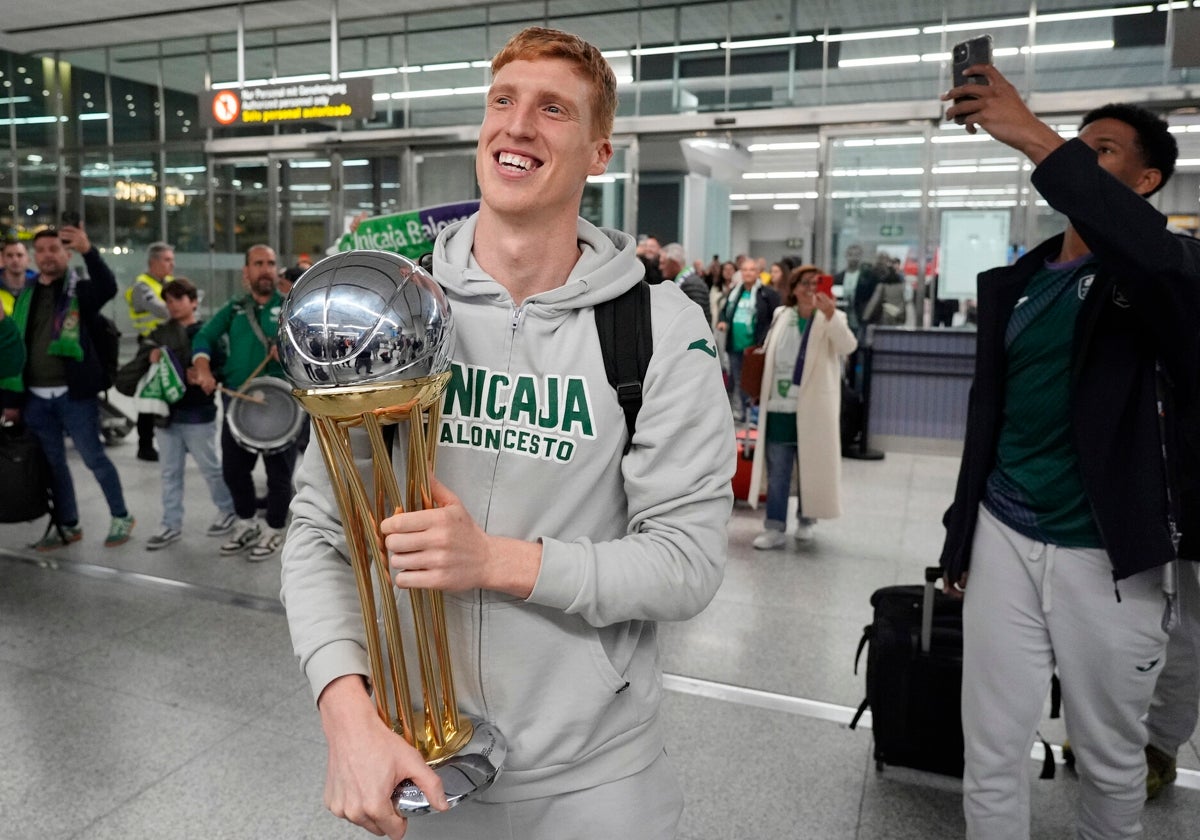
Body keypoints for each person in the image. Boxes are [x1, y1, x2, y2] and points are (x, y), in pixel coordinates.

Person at [280, 26, 733, 840]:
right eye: (503, 101)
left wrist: (495, 562)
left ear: (599, 152)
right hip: (418, 762)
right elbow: (319, 533)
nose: (517, 125)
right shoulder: (390, 311)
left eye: (552, 109)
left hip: (597, 779)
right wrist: (344, 710)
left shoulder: (659, 329)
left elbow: (687, 564)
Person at [939, 64, 1200, 839]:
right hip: (1005, 532)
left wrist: (1034, 134)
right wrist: (962, 534)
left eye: (1104, 151)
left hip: (1109, 554)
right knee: (989, 749)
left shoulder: (1169, 279)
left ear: (1147, 180)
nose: (1083, 159)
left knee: (1109, 758)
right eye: (1078, 147)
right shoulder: (1020, 283)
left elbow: (1150, 257)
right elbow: (992, 421)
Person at [0, 226, 135, 550]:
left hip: (74, 396)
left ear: (66, 254)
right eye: (41, 250)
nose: (47, 255)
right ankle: (68, 523)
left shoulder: (80, 291)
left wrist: (90, 251)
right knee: (54, 464)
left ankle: (121, 516)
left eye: (54, 249)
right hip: (35, 397)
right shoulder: (26, 295)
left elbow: (107, 286)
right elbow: (16, 347)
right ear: (35, 256)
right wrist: (12, 400)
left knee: (94, 458)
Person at [191, 244, 295, 561]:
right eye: (258, 263)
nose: (266, 269)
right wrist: (204, 369)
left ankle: (274, 528)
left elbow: (314, 343)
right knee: (234, 470)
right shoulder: (235, 308)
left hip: (280, 403)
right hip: (238, 402)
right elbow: (203, 338)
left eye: (271, 263)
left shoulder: (291, 305)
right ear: (246, 271)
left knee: (279, 474)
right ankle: (247, 522)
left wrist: (288, 347)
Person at [746, 265, 857, 549]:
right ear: (793, 288)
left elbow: (848, 346)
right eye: (804, 283)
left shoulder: (833, 318)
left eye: (816, 283)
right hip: (779, 406)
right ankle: (775, 526)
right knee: (779, 471)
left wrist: (831, 314)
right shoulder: (782, 316)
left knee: (811, 466)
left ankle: (807, 520)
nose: (810, 289)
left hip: (813, 408)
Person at [135, 278, 237, 550]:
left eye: (179, 299)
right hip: (166, 414)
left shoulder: (208, 334)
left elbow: (223, 369)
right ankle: (171, 524)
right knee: (169, 472)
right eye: (168, 300)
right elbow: (143, 362)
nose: (173, 305)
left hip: (198, 413)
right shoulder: (159, 333)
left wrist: (206, 376)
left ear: (193, 301)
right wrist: (150, 356)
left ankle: (227, 509)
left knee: (210, 468)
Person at [126, 241, 175, 462]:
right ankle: (144, 444)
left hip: (171, 345)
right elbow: (164, 311)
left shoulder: (170, 283)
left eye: (172, 260)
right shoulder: (142, 286)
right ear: (153, 262)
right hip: (150, 346)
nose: (171, 264)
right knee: (149, 396)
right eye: (166, 260)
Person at [717, 256, 779, 421]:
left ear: (758, 272)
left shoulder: (766, 294)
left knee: (754, 381)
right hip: (735, 345)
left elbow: (775, 317)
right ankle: (740, 412)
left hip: (755, 346)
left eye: (751, 270)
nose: (748, 273)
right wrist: (722, 321)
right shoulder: (735, 292)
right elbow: (725, 311)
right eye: (744, 270)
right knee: (737, 380)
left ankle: (754, 414)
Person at [658, 242, 709, 321]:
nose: (660, 267)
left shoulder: (692, 284)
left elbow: (697, 319)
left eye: (663, 263)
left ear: (674, 263)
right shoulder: (687, 281)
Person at [1, 238, 35, 315]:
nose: (15, 260)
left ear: (28, 259)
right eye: (9, 255)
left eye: (20, 255)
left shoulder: (40, 287)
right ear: (3, 259)